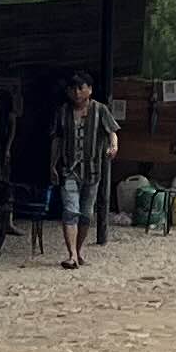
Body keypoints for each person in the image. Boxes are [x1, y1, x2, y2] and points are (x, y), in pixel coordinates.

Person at [47, 74, 109, 269]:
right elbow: (57, 140)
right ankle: (72, 255)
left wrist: (113, 146)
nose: (77, 93)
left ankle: (78, 250)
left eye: (81, 88)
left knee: (86, 213)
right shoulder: (63, 112)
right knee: (70, 211)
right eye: (73, 89)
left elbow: (112, 132)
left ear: (89, 89)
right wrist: (52, 165)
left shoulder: (100, 110)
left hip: (92, 170)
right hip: (69, 169)